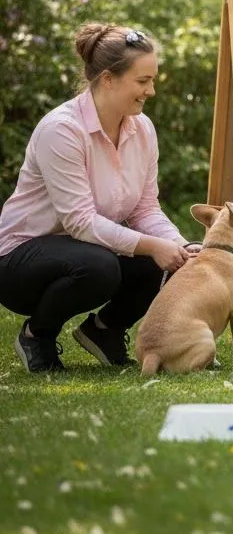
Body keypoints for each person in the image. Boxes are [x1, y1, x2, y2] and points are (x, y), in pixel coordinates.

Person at [0, 23, 193, 373]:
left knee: (163, 263)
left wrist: (181, 248)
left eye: (152, 80)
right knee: (101, 266)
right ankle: (36, 335)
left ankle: (104, 331)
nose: (151, 91)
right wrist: (153, 245)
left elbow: (145, 209)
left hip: (85, 248)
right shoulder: (62, 130)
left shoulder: (143, 129)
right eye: (142, 81)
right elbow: (80, 222)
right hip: (19, 259)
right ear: (108, 80)